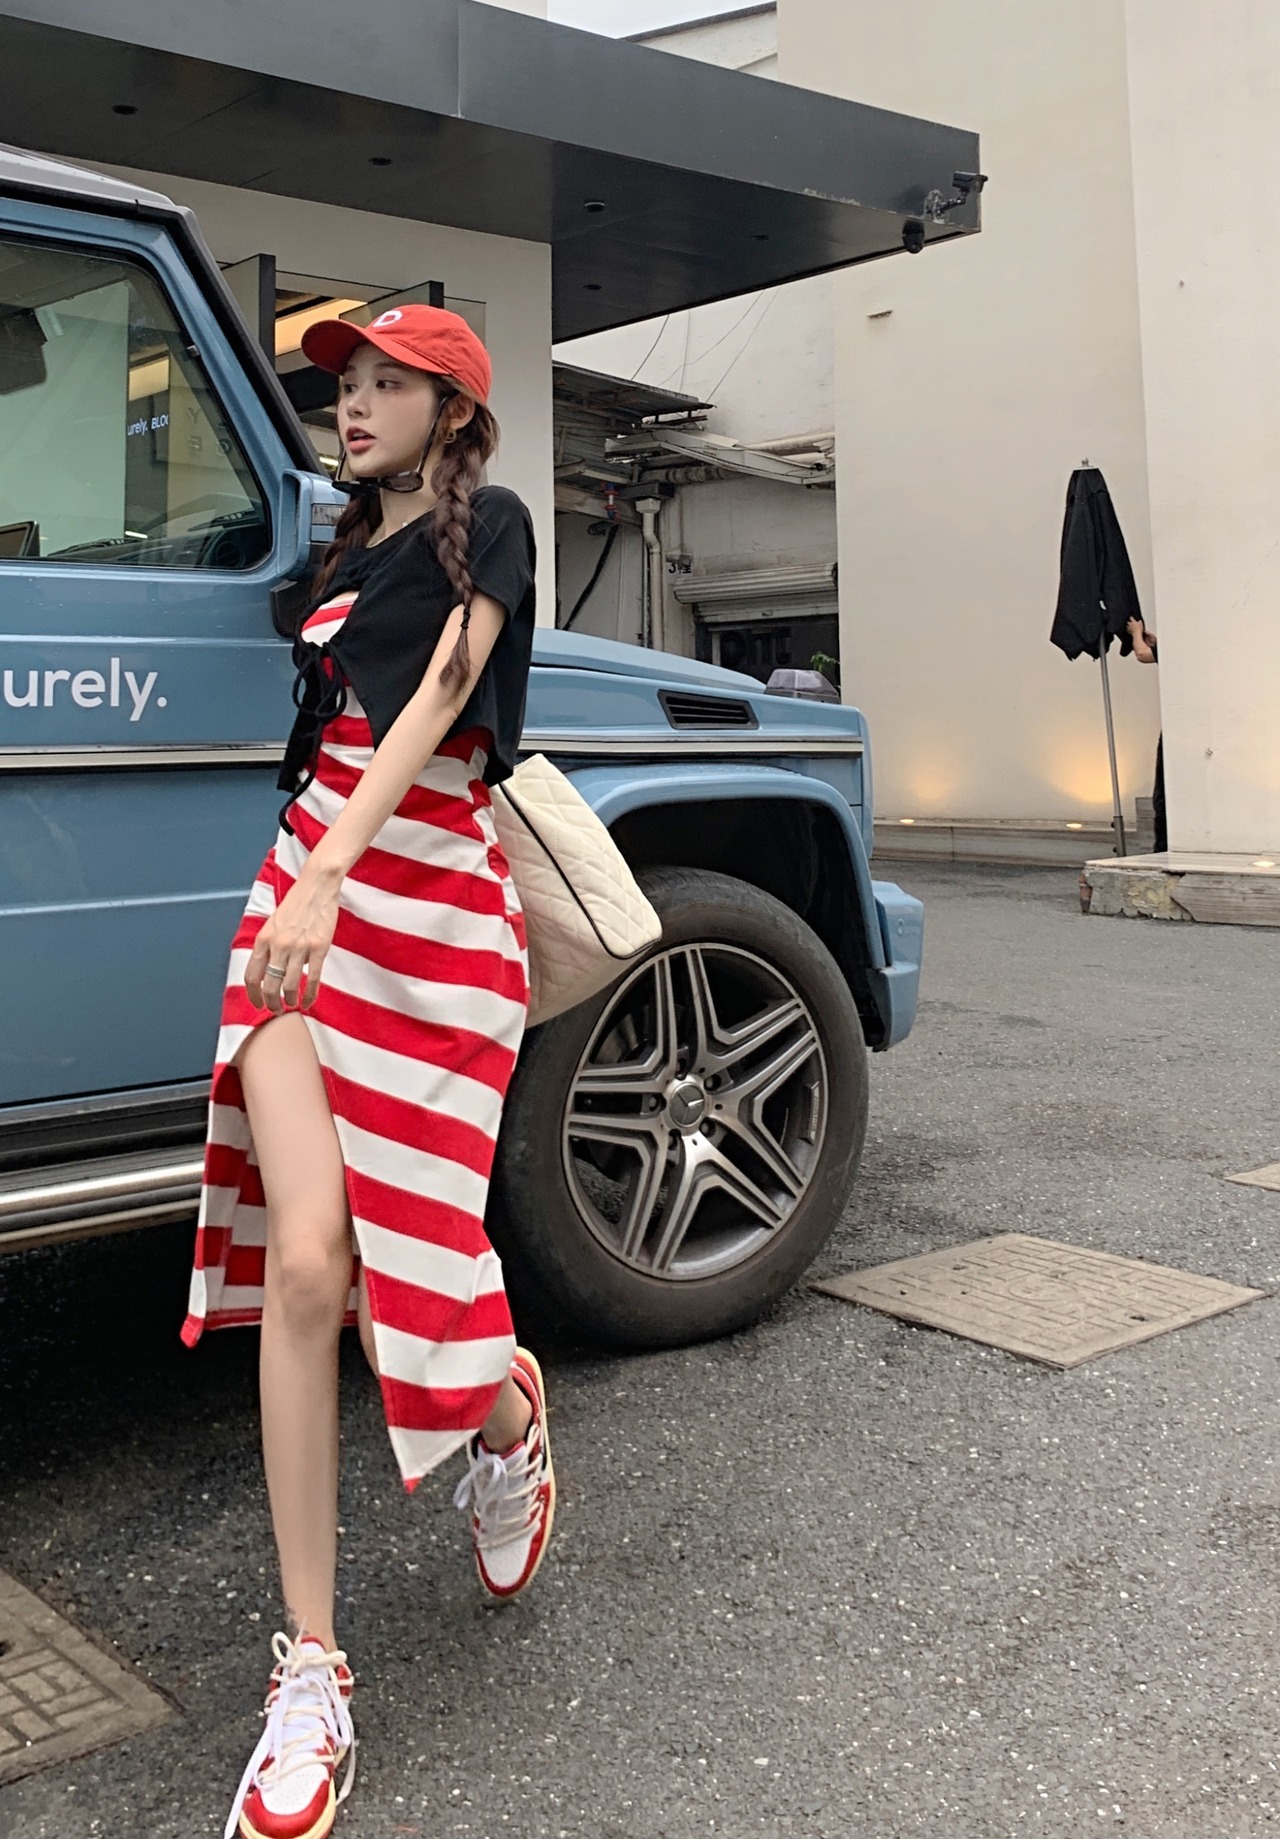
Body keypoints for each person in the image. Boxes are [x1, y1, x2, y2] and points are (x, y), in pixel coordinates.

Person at [181, 303, 554, 1839]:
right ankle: (312, 1665)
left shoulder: (496, 526)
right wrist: (312, 876)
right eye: (347, 382)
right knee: (311, 1259)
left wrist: (338, 870)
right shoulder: (336, 553)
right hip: (302, 903)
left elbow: (446, 696)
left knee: (424, 1253)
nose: (354, 402)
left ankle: (506, 1417)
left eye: (390, 383)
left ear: (452, 412)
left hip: (431, 913)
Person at [1126, 614, 1166, 852]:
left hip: (1173, 731)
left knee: (1163, 796)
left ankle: (1162, 848)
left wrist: (1136, 633)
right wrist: (1155, 644)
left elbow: (1142, 655)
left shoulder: (1179, 647)